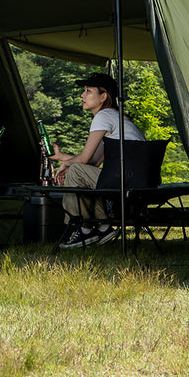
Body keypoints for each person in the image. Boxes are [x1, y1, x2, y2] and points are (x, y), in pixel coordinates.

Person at [50, 72, 146, 248]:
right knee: (79, 172)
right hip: (138, 180)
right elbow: (92, 163)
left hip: (128, 183)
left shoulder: (103, 116)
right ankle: (103, 227)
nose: (82, 95)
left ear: (103, 96)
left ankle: (85, 229)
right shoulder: (115, 117)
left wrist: (67, 164)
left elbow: (84, 160)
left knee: (75, 171)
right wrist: (61, 157)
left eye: (88, 91)